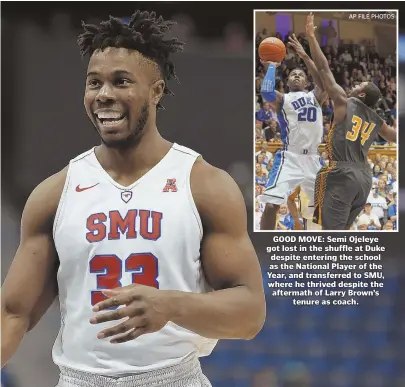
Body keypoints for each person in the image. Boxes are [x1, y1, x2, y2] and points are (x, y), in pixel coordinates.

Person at [1, 11, 266, 387]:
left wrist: (170, 305)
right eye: (94, 83)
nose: (104, 94)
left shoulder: (204, 185)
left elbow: (250, 313)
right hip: (80, 380)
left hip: (173, 377)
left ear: (156, 91)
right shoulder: (54, 193)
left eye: (120, 81)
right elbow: (13, 313)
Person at [305, 13, 397, 230]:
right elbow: (395, 136)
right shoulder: (378, 120)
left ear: (362, 95)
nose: (354, 85)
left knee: (332, 237)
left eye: (359, 85)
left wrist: (311, 37)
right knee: (343, 233)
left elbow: (325, 68)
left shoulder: (344, 102)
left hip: (343, 174)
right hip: (365, 178)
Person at [258, 33, 328, 231]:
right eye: (293, 74)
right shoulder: (283, 99)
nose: (297, 75)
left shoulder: (315, 96)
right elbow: (266, 92)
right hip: (290, 157)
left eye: (301, 74)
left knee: (326, 210)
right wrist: (272, 66)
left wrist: (305, 56)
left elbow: (323, 82)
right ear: (287, 82)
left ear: (306, 82)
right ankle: (265, 248)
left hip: (314, 160)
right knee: (272, 204)